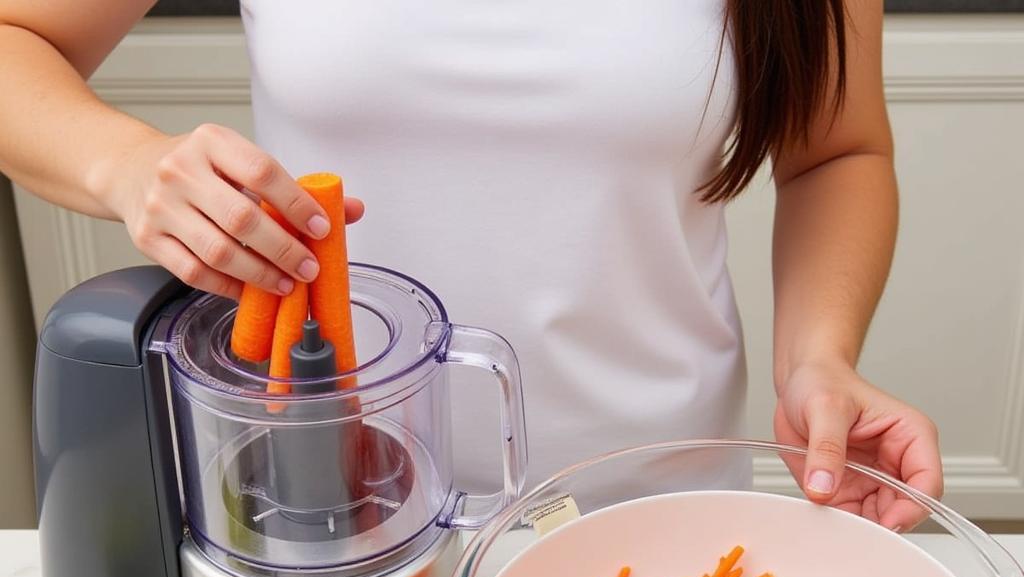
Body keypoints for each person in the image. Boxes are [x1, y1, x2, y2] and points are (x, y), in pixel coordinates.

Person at [0, 0, 941, 529]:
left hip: (654, 516)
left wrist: (817, 355)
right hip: (341, 518)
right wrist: (122, 165)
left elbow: (837, 153)